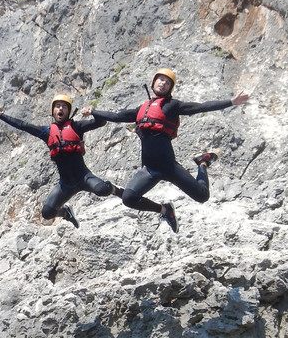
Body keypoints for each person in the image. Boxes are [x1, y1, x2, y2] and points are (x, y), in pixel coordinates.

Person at [91, 68, 250, 232]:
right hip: (149, 169)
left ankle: (202, 163)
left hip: (169, 168)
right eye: (160, 79)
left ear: (170, 89)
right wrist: (93, 111)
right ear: (153, 82)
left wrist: (231, 102)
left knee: (202, 196)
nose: (163, 83)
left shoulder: (172, 106)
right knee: (129, 199)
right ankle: (165, 210)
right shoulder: (141, 108)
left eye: (168, 82)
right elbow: (116, 117)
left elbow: (201, 107)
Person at [0, 94, 122, 228]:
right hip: (66, 184)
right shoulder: (46, 132)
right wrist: (0, 115)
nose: (60, 109)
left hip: (84, 177)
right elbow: (23, 125)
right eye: (57, 106)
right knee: (47, 213)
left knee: (103, 189)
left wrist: (93, 111)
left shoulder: (77, 127)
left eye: (64, 107)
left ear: (68, 111)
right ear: (53, 111)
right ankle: (66, 213)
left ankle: (115, 189)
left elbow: (101, 122)